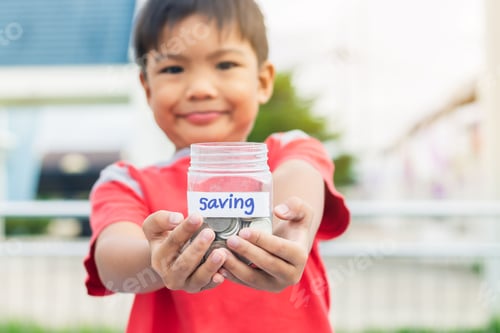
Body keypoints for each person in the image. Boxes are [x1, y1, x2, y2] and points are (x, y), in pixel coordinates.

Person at [84, 0, 350, 332]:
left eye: (225, 64)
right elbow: (113, 263)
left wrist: (285, 232)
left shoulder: (290, 150)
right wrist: (160, 258)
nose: (200, 89)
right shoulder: (125, 182)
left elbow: (299, 179)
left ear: (263, 80)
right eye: (173, 69)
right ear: (147, 87)